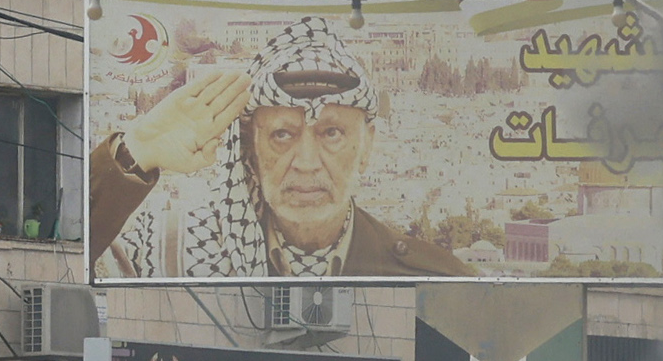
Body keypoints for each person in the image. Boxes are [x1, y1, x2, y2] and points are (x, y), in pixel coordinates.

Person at [92, 16, 468, 279]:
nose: (306, 163)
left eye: (332, 133)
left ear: (367, 145)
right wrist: (136, 151)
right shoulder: (170, 250)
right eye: (282, 135)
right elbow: (61, 268)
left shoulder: (432, 277)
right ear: (250, 152)